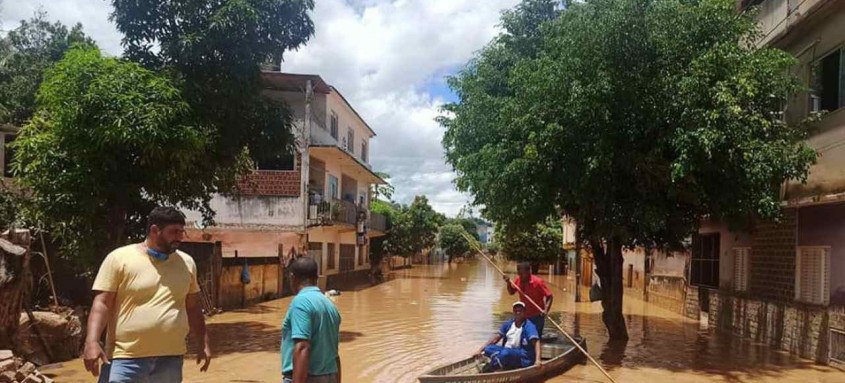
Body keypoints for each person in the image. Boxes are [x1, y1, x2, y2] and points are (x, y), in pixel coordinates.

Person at [83, 206, 211, 383]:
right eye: (174, 232)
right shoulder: (120, 258)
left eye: (182, 232)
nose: (179, 237)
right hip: (126, 357)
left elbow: (193, 307)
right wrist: (92, 342)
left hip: (170, 358)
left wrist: (203, 343)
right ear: (154, 230)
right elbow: (102, 303)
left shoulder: (186, 263)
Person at [282, 257, 342, 383]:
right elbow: (335, 354)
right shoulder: (330, 305)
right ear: (316, 278)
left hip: (307, 377)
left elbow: (303, 347)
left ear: (292, 277)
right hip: (330, 376)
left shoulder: (300, 302)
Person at [476, 302, 542, 371]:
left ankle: (489, 369)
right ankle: (500, 360)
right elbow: (495, 339)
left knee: (505, 353)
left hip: (521, 355)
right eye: (516, 311)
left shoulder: (529, 326)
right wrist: (480, 350)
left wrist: (538, 360)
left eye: (520, 311)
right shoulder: (509, 323)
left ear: (524, 312)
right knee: (488, 349)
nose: (518, 313)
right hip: (507, 351)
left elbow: (536, 342)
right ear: (513, 312)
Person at [503, 262, 554, 336]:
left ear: (528, 272)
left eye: (522, 273)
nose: (520, 276)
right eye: (519, 273)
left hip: (537, 316)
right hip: (523, 315)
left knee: (535, 338)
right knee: (523, 338)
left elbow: (549, 296)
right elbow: (511, 292)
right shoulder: (518, 280)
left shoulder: (538, 282)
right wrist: (508, 282)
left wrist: (546, 310)